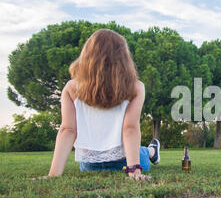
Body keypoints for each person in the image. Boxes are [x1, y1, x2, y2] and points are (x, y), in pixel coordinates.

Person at [45, 29, 160, 182]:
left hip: (90, 166)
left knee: (134, 149)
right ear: (124, 58)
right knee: (142, 153)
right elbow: (130, 129)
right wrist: (134, 171)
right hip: (125, 161)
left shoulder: (71, 88)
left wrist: (53, 175)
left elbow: (68, 130)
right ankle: (152, 151)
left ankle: (150, 150)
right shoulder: (136, 87)